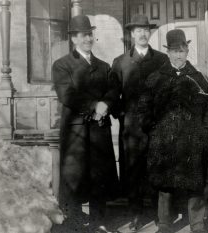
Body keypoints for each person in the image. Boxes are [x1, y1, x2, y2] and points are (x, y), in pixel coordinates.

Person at [138, 29, 208, 233]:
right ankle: (165, 224)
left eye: (182, 50)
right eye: (174, 51)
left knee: (194, 183)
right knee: (164, 184)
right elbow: (143, 107)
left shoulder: (200, 79)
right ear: (168, 52)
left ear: (187, 51)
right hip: (163, 140)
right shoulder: (155, 78)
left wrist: (206, 128)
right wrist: (152, 128)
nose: (178, 55)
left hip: (193, 140)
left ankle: (197, 224)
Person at [52, 15, 120, 233]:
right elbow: (67, 94)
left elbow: (113, 90)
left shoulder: (103, 66)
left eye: (90, 35)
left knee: (99, 176)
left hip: (99, 128)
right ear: (73, 39)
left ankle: (98, 221)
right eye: (82, 36)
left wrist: (106, 104)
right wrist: (94, 106)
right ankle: (74, 222)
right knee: (75, 177)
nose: (87, 39)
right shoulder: (62, 65)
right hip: (76, 131)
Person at [109, 14, 169, 231]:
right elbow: (112, 94)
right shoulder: (120, 62)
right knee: (133, 172)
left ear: (149, 32)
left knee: (156, 170)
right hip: (132, 128)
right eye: (138, 30)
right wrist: (122, 114)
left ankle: (158, 215)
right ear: (132, 34)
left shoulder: (162, 60)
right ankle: (135, 215)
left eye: (146, 29)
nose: (143, 34)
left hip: (157, 126)